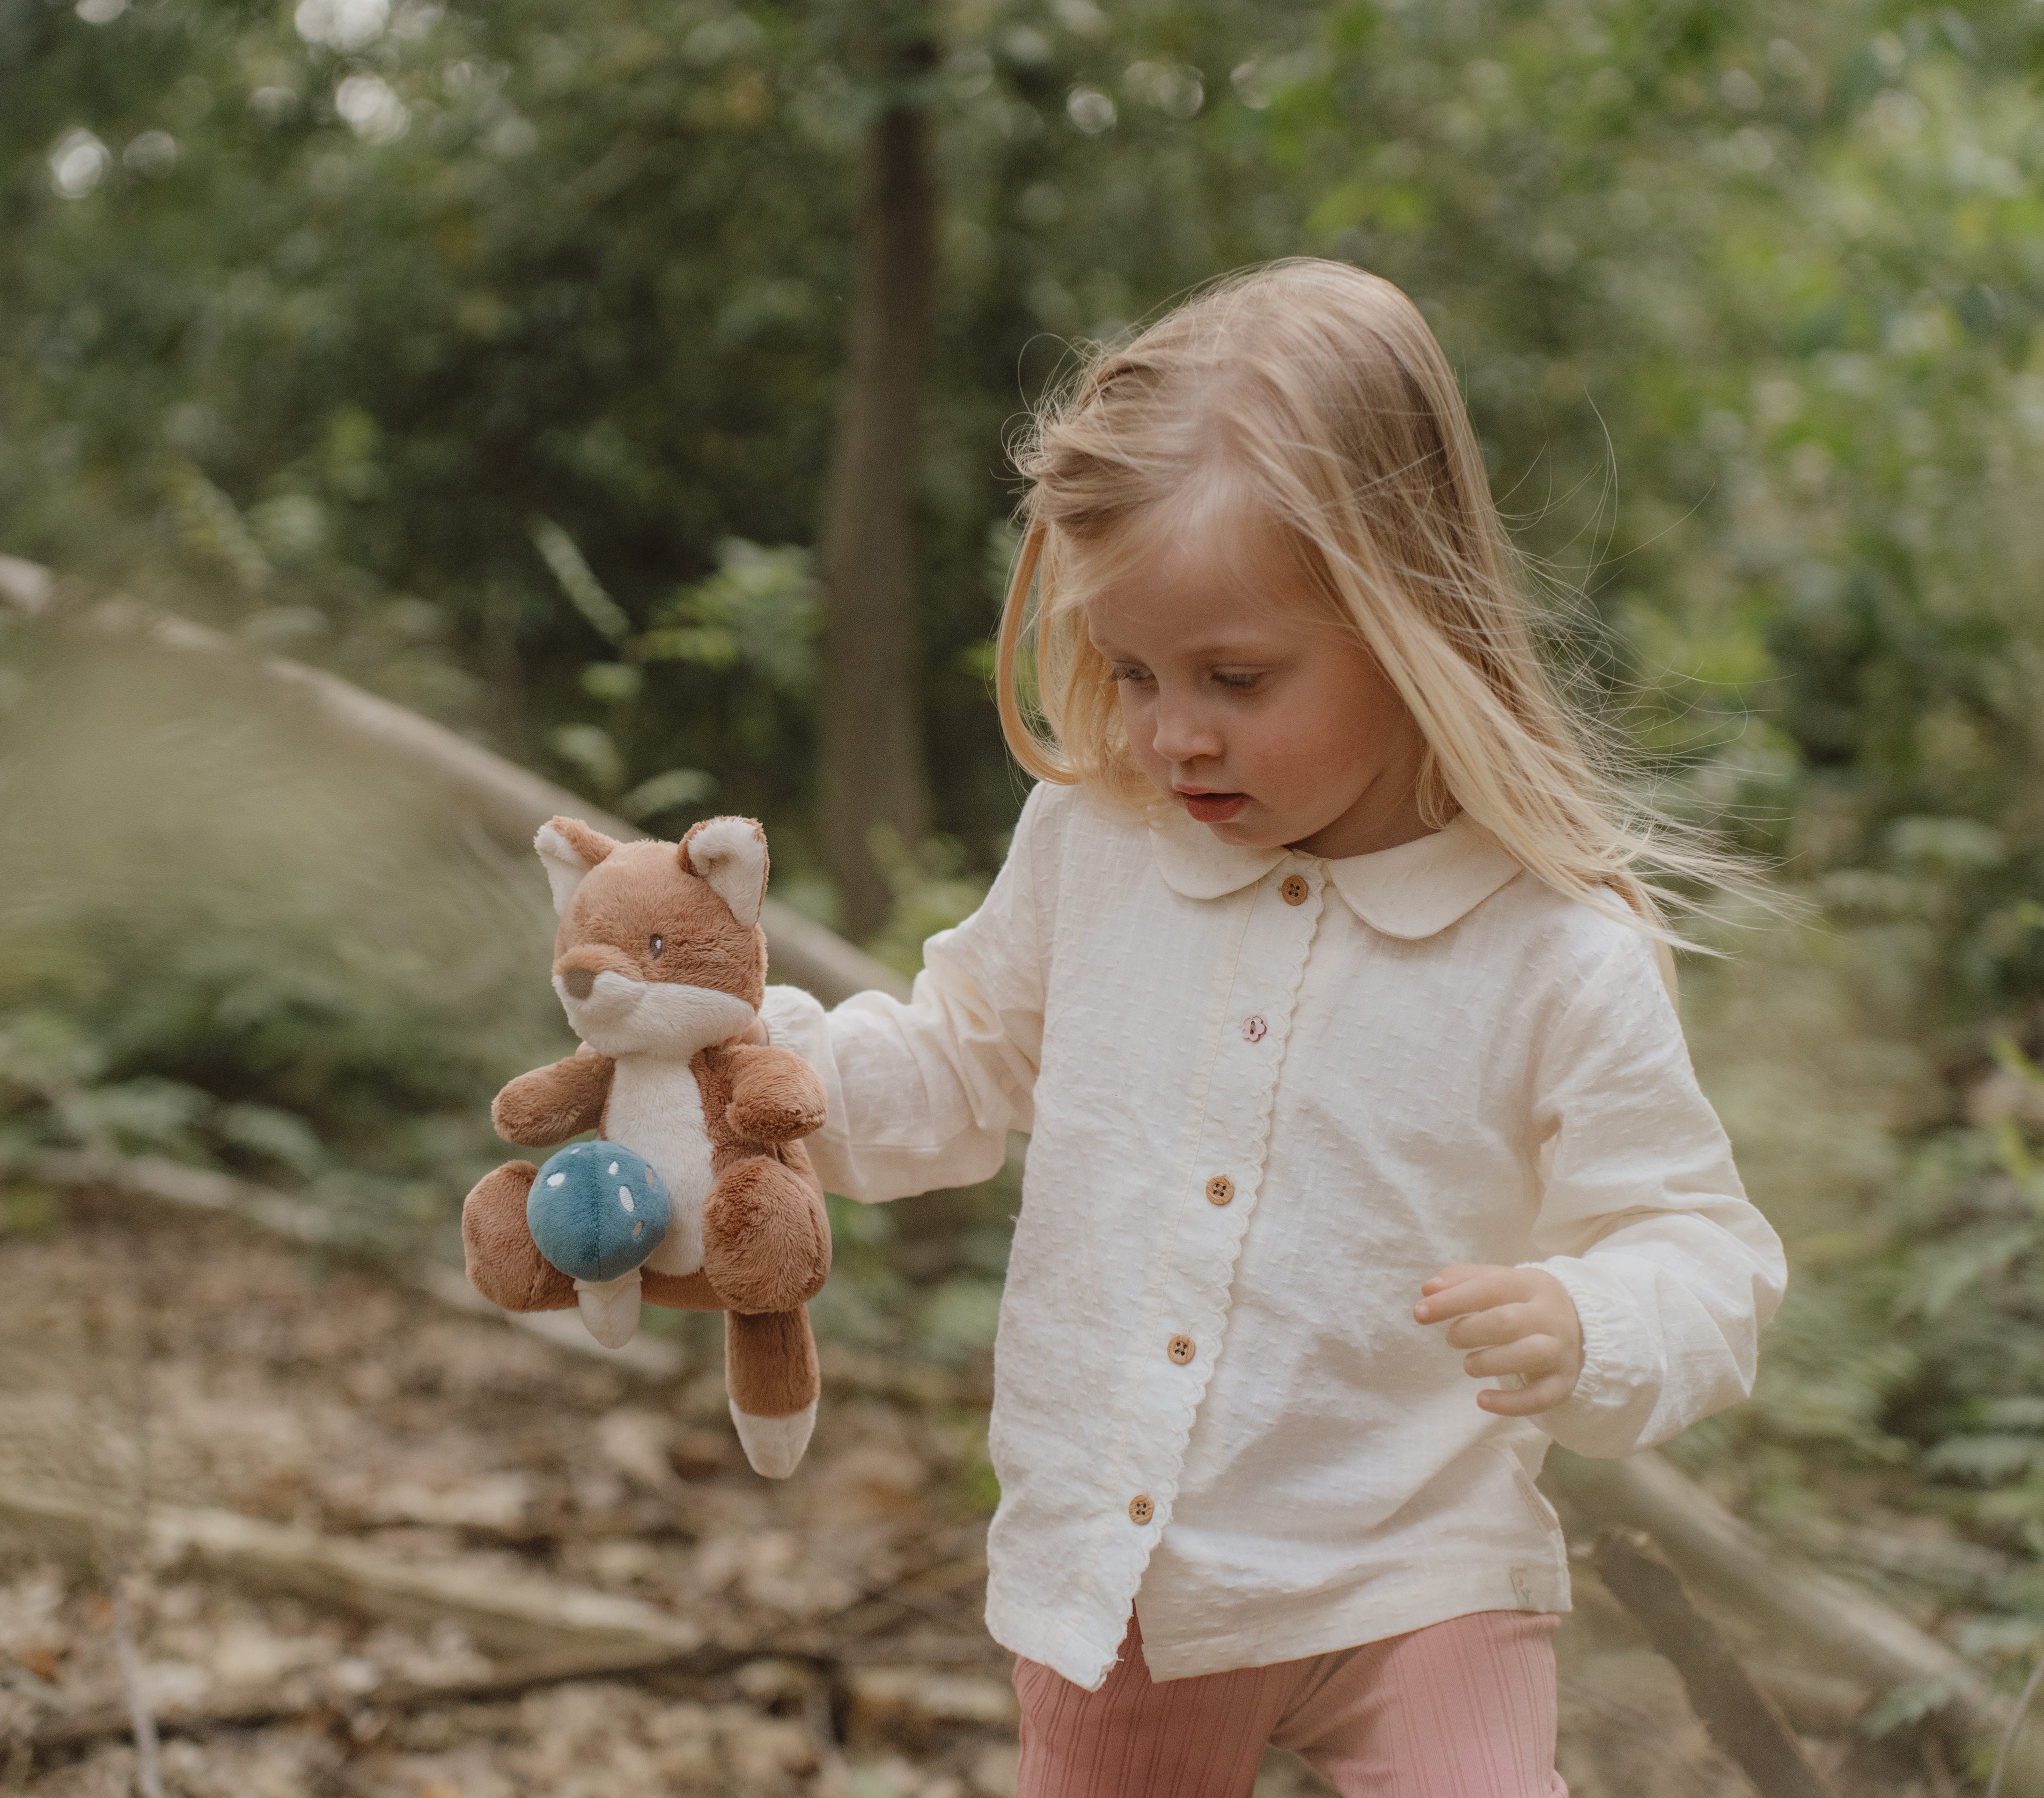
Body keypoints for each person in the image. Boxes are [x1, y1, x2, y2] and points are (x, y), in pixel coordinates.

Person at [757, 258, 1786, 1798]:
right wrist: (775, 1079)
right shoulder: (1095, 847)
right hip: (1135, 1574)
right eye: (1134, 671)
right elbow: (962, 1062)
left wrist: (1598, 1322)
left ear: (1407, 620)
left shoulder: (1554, 947)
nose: (1172, 730)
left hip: (1419, 1567)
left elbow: (1703, 1247)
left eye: (1237, 677)